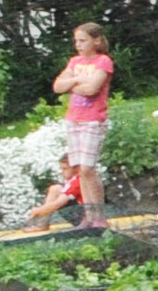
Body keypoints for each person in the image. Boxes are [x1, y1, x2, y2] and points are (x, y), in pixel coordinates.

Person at [49, 21, 117, 229]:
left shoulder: (103, 62)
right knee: (80, 169)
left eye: (83, 40)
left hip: (92, 119)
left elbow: (92, 89)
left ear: (96, 41)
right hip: (74, 119)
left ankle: (98, 215)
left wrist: (72, 84)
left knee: (88, 168)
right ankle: (88, 214)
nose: (78, 45)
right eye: (76, 41)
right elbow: (57, 86)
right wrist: (78, 81)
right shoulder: (74, 62)